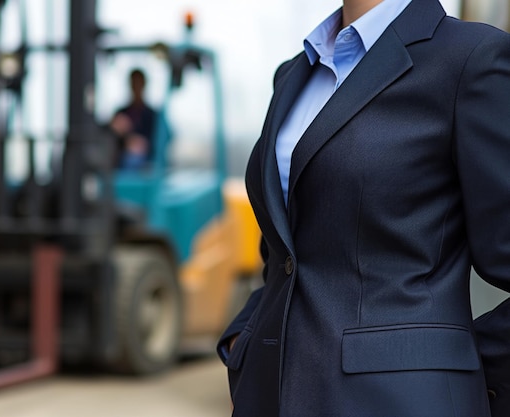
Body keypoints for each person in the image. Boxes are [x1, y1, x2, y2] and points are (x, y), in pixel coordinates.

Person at [217, 0, 510, 416]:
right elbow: (283, 255)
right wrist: (244, 338)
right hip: (270, 396)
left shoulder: (471, 59)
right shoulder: (293, 75)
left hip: (399, 403)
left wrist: (461, 374)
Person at [110, 68, 158, 170]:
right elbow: (110, 139)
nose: (136, 87)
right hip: (119, 157)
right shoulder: (121, 113)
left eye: (138, 84)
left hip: (143, 163)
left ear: (144, 85)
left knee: (131, 160)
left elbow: (156, 143)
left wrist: (138, 142)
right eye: (133, 83)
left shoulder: (153, 116)